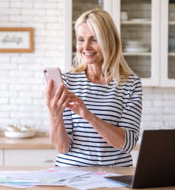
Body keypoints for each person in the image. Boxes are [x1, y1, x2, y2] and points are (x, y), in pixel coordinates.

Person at [45, 9, 142, 167]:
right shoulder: (68, 81)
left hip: (116, 176)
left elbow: (127, 143)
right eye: (81, 39)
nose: (86, 47)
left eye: (94, 39)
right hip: (72, 176)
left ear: (109, 41)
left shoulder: (130, 84)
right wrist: (54, 116)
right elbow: (62, 147)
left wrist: (88, 115)